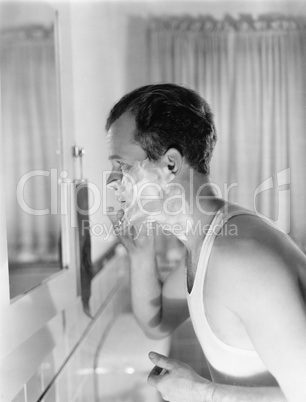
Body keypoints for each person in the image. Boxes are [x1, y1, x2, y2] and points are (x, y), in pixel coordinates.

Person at [105, 83, 306, 402]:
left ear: (170, 164)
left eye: (122, 165)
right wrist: (141, 255)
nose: (111, 181)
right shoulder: (205, 244)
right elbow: (156, 324)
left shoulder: (239, 258)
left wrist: (202, 392)